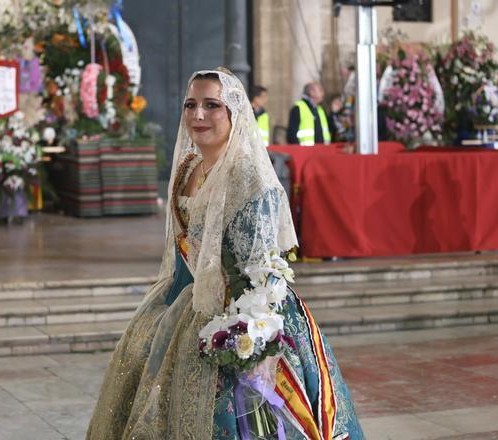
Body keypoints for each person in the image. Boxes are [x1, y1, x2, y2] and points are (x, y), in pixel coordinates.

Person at [86, 68, 363, 439]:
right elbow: (184, 253)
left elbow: (264, 271)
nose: (198, 115)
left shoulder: (251, 179)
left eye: (212, 105)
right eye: (191, 105)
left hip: (247, 313)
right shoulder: (187, 168)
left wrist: (255, 343)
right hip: (187, 302)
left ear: (235, 112)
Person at [286, 82, 331, 146]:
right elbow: (291, 136)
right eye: (320, 90)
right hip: (305, 153)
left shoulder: (320, 109)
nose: (323, 93)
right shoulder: (298, 108)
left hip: (322, 151)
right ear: (311, 92)